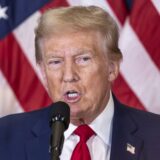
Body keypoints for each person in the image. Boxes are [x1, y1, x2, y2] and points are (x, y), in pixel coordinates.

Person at [0, 5, 160, 160]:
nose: (69, 75)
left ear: (112, 68)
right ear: (43, 71)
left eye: (83, 59)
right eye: (55, 62)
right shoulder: (6, 137)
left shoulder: (155, 136)